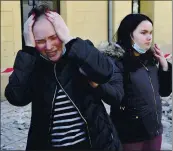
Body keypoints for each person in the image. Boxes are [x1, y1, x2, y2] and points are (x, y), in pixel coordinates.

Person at [5, 4, 124, 150]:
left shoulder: (80, 51)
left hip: (95, 143)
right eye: (40, 41)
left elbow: (106, 73)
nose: (48, 46)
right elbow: (16, 97)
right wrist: (28, 49)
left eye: (54, 37)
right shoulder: (32, 63)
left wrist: (69, 39)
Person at [98, 14, 172, 151]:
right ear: (129, 34)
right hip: (130, 136)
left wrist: (164, 66)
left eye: (150, 33)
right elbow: (114, 97)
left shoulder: (149, 59)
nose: (149, 37)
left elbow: (164, 91)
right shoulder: (117, 62)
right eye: (143, 33)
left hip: (154, 132)